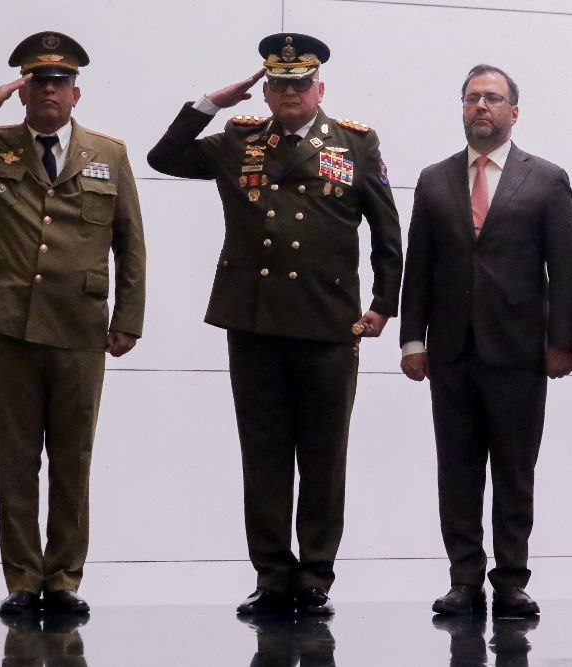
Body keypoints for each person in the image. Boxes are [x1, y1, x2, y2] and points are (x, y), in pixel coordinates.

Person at [146, 32, 403, 616]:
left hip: (329, 323)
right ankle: (270, 573)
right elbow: (163, 158)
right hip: (255, 323)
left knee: (322, 456)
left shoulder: (356, 144)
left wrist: (384, 305)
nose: (289, 93)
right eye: (278, 84)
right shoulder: (237, 142)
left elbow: (388, 234)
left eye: (299, 84)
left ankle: (314, 575)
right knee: (262, 455)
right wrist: (211, 103)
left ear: (319, 88)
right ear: (265, 90)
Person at [0, 31, 146, 616]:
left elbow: (130, 242)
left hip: (79, 326)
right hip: (8, 322)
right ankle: (22, 577)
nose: (49, 90)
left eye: (59, 82)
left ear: (76, 93)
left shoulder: (108, 153)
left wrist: (129, 319)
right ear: (23, 92)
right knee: (16, 456)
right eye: (37, 81)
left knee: (73, 457)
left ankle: (64, 578)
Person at [399, 64, 572, 617]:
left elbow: (566, 269)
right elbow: (419, 265)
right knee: (456, 470)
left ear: (513, 112)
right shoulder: (434, 179)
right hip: (451, 351)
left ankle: (511, 581)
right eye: (473, 98)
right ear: (461, 108)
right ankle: (463, 579)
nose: (482, 107)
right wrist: (412, 340)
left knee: (513, 470)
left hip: (520, 352)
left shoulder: (546, 178)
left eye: (494, 99)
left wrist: (561, 342)